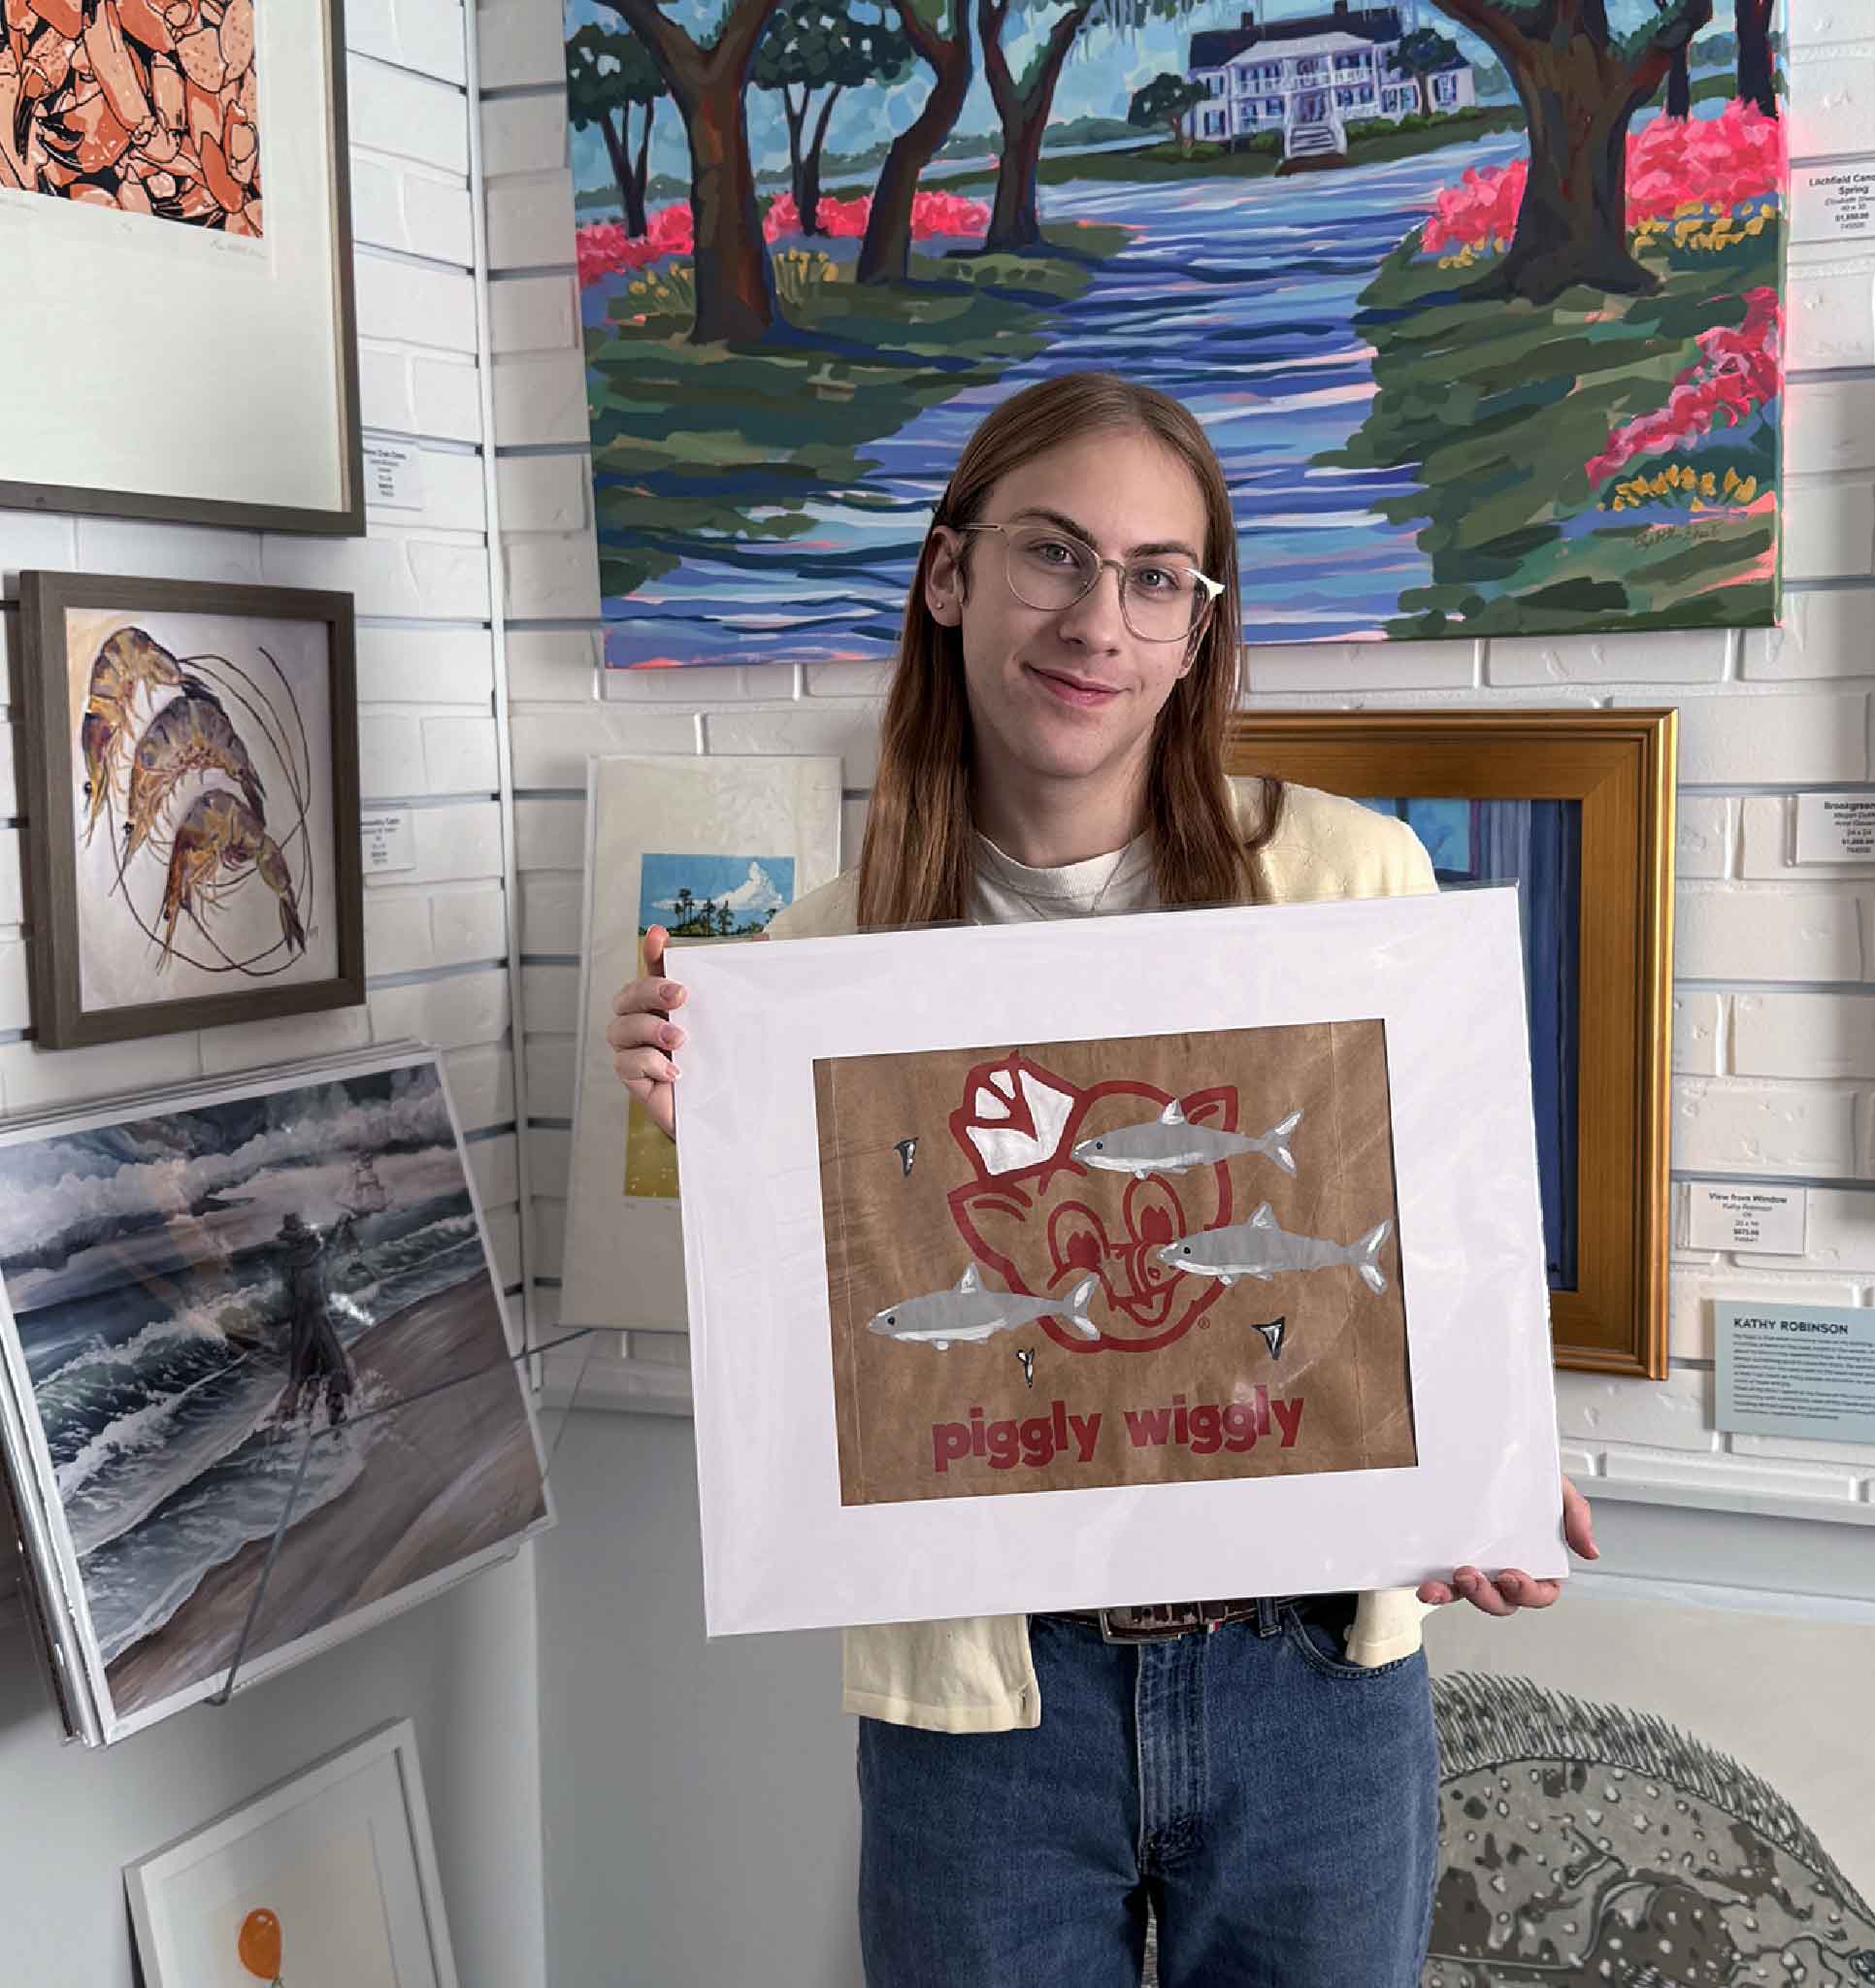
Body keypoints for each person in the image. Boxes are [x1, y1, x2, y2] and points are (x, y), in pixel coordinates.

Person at [605, 372, 1599, 1985]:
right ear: (950, 575)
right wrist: (693, 1118)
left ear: (1200, 628)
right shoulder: (812, 968)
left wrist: (1485, 1454)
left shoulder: (1351, 881)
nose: (1098, 621)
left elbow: (1434, 1245)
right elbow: (840, 1359)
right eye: (1053, 556)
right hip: (987, 1705)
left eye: (1155, 578)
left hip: (1310, 1677)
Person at [274, 1209, 357, 1426]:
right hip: (319, 1316)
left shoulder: (286, 1265)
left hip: (300, 1320)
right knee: (336, 1364)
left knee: (299, 1373)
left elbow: (289, 1294)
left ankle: (289, 1412)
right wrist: (341, 1223)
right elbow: (332, 1245)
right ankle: (334, 1414)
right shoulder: (318, 1254)